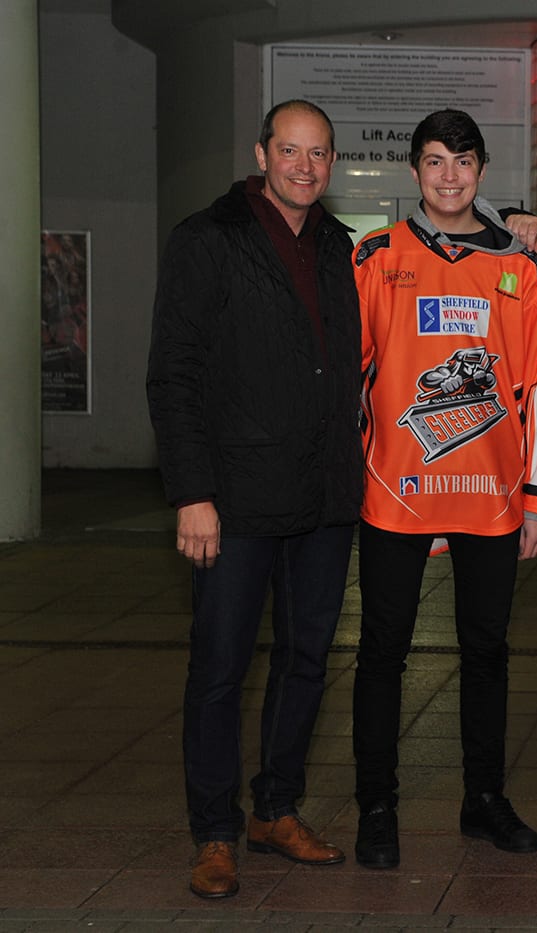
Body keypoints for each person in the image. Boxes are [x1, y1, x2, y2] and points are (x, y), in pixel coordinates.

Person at [146, 99, 362, 899]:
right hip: (233, 499)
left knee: (306, 660)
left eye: (319, 153)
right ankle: (214, 830)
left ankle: (275, 809)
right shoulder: (208, 239)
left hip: (323, 496)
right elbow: (173, 373)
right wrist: (192, 492)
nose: (305, 166)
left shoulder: (340, 247)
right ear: (263, 154)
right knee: (220, 668)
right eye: (290, 150)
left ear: (332, 163)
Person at [350, 109, 537, 867]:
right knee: (382, 652)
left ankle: (484, 799)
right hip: (394, 490)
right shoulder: (376, 257)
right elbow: (346, 374)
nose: (449, 176)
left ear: (482, 171)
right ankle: (377, 806)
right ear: (414, 170)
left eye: (463, 162)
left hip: (491, 496)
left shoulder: (518, 265)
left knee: (487, 651)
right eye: (435, 161)